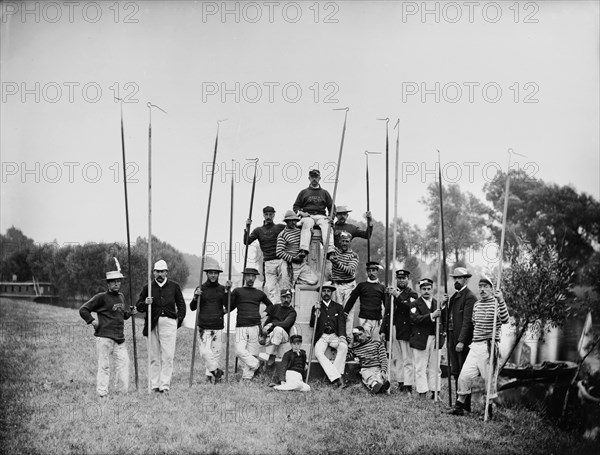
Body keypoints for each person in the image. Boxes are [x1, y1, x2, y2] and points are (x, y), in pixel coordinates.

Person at [450, 275, 509, 419]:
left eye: (486, 287)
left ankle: (488, 411)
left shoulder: (496, 303)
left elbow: (506, 320)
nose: (482, 290)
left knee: (489, 380)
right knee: (464, 376)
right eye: (481, 287)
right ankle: (459, 407)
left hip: (489, 346)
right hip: (475, 345)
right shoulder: (477, 304)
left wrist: (501, 300)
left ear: (491, 289)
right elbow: (474, 322)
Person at [79, 267, 135, 397]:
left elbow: (122, 315)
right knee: (104, 366)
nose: (116, 284)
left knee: (124, 363)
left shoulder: (121, 296)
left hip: (119, 339)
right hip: (104, 338)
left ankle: (121, 392)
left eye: (118, 281)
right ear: (108, 283)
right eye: (113, 281)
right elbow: (83, 310)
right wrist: (92, 321)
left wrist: (130, 313)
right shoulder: (101, 297)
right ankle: (102, 394)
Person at [136, 259, 186, 394]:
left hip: (169, 323)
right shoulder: (148, 287)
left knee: (168, 356)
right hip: (152, 323)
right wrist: (146, 302)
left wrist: (178, 321)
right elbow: (139, 306)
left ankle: (165, 385)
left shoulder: (174, 286)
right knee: (154, 357)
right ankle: (154, 385)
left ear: (166, 272)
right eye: (157, 271)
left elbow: (181, 305)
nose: (159, 274)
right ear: (153, 272)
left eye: (162, 271)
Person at [189, 264, 232, 384]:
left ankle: (211, 377)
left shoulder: (222, 289)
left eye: (215, 273)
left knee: (216, 352)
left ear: (218, 274)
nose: (213, 275)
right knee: (204, 352)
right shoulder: (200, 288)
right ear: (206, 274)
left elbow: (228, 306)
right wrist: (195, 297)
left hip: (218, 325)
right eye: (211, 273)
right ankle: (216, 371)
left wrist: (228, 291)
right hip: (203, 325)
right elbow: (192, 307)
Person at [230, 267, 274, 381]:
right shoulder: (237, 291)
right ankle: (256, 364)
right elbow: (229, 306)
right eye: (248, 275)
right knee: (239, 350)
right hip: (241, 326)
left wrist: (263, 314)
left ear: (255, 278)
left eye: (252, 276)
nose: (250, 278)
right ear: (244, 277)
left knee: (252, 352)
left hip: (255, 326)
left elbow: (270, 306)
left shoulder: (259, 293)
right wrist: (227, 292)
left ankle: (247, 378)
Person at [442, 267, 477, 400]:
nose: (456, 281)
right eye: (454, 278)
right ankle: (458, 403)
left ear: (465, 279)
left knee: (464, 373)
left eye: (459, 278)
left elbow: (467, 322)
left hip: (462, 341)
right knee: (456, 371)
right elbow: (448, 318)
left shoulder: (470, 297)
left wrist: (462, 341)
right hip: (452, 337)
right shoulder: (454, 297)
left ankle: (465, 404)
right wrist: (444, 305)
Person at [381, 269, 419, 393]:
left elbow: (410, 308)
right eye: (399, 278)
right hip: (393, 328)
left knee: (407, 358)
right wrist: (383, 330)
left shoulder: (412, 294)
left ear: (408, 279)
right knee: (397, 358)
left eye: (404, 278)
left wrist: (398, 296)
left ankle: (408, 384)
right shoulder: (391, 292)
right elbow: (387, 312)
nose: (401, 280)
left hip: (406, 328)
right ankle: (401, 382)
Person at [409, 278, 446, 398]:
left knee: (435, 367)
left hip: (435, 338)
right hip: (421, 339)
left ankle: (435, 392)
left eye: (429, 289)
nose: (426, 291)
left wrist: (443, 333)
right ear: (420, 290)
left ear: (432, 289)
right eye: (424, 289)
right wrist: (431, 316)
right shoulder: (415, 304)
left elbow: (443, 320)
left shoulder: (437, 303)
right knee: (420, 366)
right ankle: (422, 392)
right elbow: (415, 319)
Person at [243, 206, 286, 302]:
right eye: (266, 214)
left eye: (270, 214)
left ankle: (285, 308)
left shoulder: (280, 227)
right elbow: (247, 241)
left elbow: (292, 230)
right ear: (263, 215)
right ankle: (276, 309)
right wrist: (247, 227)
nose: (268, 217)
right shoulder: (258, 230)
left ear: (274, 215)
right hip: (268, 262)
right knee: (271, 289)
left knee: (284, 286)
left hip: (281, 261)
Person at [310, 282, 348, 388]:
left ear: (331, 293)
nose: (326, 293)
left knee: (343, 347)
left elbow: (341, 323)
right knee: (318, 353)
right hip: (322, 336)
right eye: (324, 291)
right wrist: (316, 314)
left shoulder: (338, 307)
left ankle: (335, 377)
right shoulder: (316, 306)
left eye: (328, 291)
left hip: (334, 335)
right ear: (321, 293)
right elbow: (312, 324)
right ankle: (338, 378)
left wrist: (342, 337)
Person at [293, 169, 335, 259]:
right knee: (307, 223)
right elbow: (295, 207)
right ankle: (303, 250)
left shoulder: (325, 193)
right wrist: (302, 213)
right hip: (308, 215)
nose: (314, 179)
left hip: (321, 216)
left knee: (327, 224)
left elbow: (332, 207)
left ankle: (330, 250)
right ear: (309, 178)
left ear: (319, 178)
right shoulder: (303, 192)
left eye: (316, 177)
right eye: (312, 177)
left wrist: (331, 217)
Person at [276, 210, 318, 289]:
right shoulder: (282, 234)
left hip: (301, 263)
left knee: (314, 280)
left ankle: (295, 281)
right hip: (289, 264)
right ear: (286, 221)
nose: (293, 222)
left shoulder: (300, 231)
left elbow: (305, 244)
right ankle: (290, 281)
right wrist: (293, 259)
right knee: (286, 289)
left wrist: (310, 236)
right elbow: (279, 252)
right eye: (291, 221)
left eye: (295, 220)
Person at [344, 261, 386, 341]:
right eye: (369, 271)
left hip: (377, 320)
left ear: (377, 271)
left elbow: (386, 304)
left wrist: (386, 321)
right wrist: (345, 312)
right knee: (364, 342)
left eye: (373, 270)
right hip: (364, 319)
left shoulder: (382, 287)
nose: (371, 273)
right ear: (367, 272)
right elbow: (352, 300)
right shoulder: (361, 286)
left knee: (376, 343)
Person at [329, 232, 359, 339]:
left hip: (349, 285)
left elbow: (350, 271)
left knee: (348, 313)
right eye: (343, 241)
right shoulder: (335, 252)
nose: (344, 243)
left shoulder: (354, 255)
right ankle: (338, 336)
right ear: (340, 241)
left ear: (350, 242)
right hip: (337, 285)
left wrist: (337, 263)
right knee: (337, 312)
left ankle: (348, 338)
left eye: (347, 241)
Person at [261, 288, 297, 367]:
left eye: (288, 297)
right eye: (284, 297)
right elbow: (268, 321)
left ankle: (273, 354)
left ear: (291, 298)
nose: (286, 300)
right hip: (272, 334)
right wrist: (264, 332)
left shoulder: (292, 312)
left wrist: (272, 325)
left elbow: (286, 324)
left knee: (278, 329)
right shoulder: (275, 307)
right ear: (280, 297)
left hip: (284, 335)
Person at [350, 326, 390, 394]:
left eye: (360, 334)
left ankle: (380, 387)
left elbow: (383, 358)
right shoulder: (356, 348)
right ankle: (376, 386)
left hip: (377, 367)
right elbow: (348, 355)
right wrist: (351, 343)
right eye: (356, 336)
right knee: (369, 377)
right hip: (366, 368)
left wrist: (383, 370)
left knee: (380, 377)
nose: (359, 338)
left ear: (365, 332)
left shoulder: (377, 343)